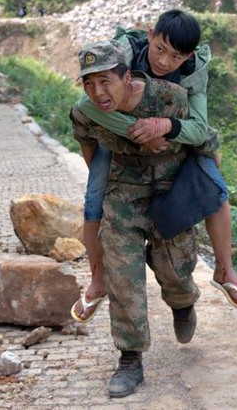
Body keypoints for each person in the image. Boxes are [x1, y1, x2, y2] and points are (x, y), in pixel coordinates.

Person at [70, 9, 237, 327]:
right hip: (119, 136)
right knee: (94, 201)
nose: (164, 62)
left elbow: (197, 127)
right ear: (150, 35)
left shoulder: (194, 73)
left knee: (216, 189)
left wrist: (162, 126)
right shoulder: (123, 53)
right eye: (160, 49)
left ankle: (224, 268)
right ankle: (97, 279)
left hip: (173, 139)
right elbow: (87, 104)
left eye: (176, 57)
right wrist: (136, 131)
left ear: (189, 56)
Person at [70, 40, 200, 398]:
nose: (98, 92)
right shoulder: (84, 112)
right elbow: (87, 144)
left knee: (174, 269)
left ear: (127, 77)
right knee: (123, 276)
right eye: (89, 84)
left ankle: (182, 301)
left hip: (169, 192)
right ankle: (130, 358)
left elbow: (202, 139)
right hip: (123, 196)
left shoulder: (170, 97)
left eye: (105, 81)